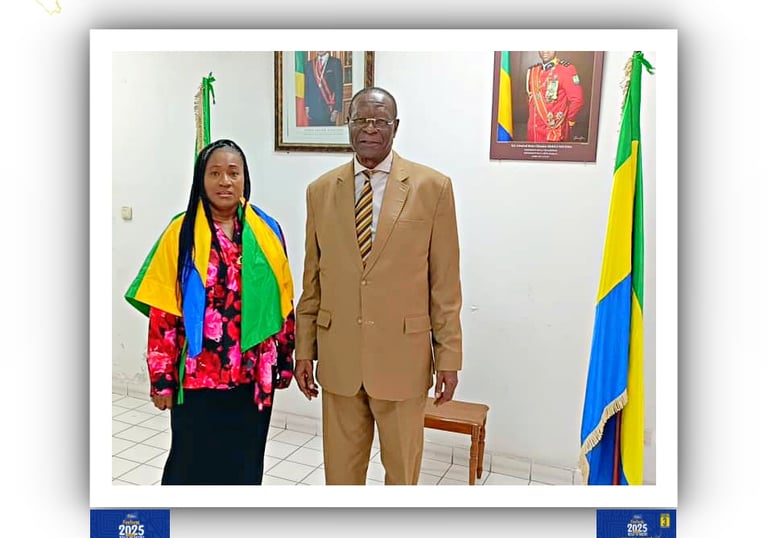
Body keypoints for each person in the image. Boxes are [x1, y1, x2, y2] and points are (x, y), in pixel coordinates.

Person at [294, 87, 463, 485]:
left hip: (404, 360)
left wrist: (449, 357)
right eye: (362, 120)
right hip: (339, 359)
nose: (371, 129)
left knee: (402, 475)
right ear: (348, 125)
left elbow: (445, 284)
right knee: (340, 475)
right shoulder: (320, 191)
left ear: (395, 127)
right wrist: (304, 350)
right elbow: (312, 279)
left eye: (380, 121)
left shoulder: (432, 188)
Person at [124, 139, 295, 485]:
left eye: (234, 173)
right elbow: (164, 315)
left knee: (245, 466)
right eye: (214, 173)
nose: (225, 182)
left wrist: (286, 359)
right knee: (190, 465)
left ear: (245, 179)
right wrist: (162, 379)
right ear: (200, 180)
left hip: (252, 377)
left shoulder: (268, 230)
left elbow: (283, 301)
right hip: (198, 378)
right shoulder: (181, 232)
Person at [526, 51, 585, 142]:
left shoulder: (566, 70)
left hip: (553, 132)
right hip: (533, 132)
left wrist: (567, 121)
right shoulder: (533, 71)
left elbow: (577, 100)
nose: (545, 51)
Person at [304, 51, 344, 126]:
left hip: (329, 109)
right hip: (313, 110)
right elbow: (307, 87)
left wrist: (336, 109)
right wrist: (307, 106)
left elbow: (339, 87)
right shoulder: (309, 64)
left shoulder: (335, 63)